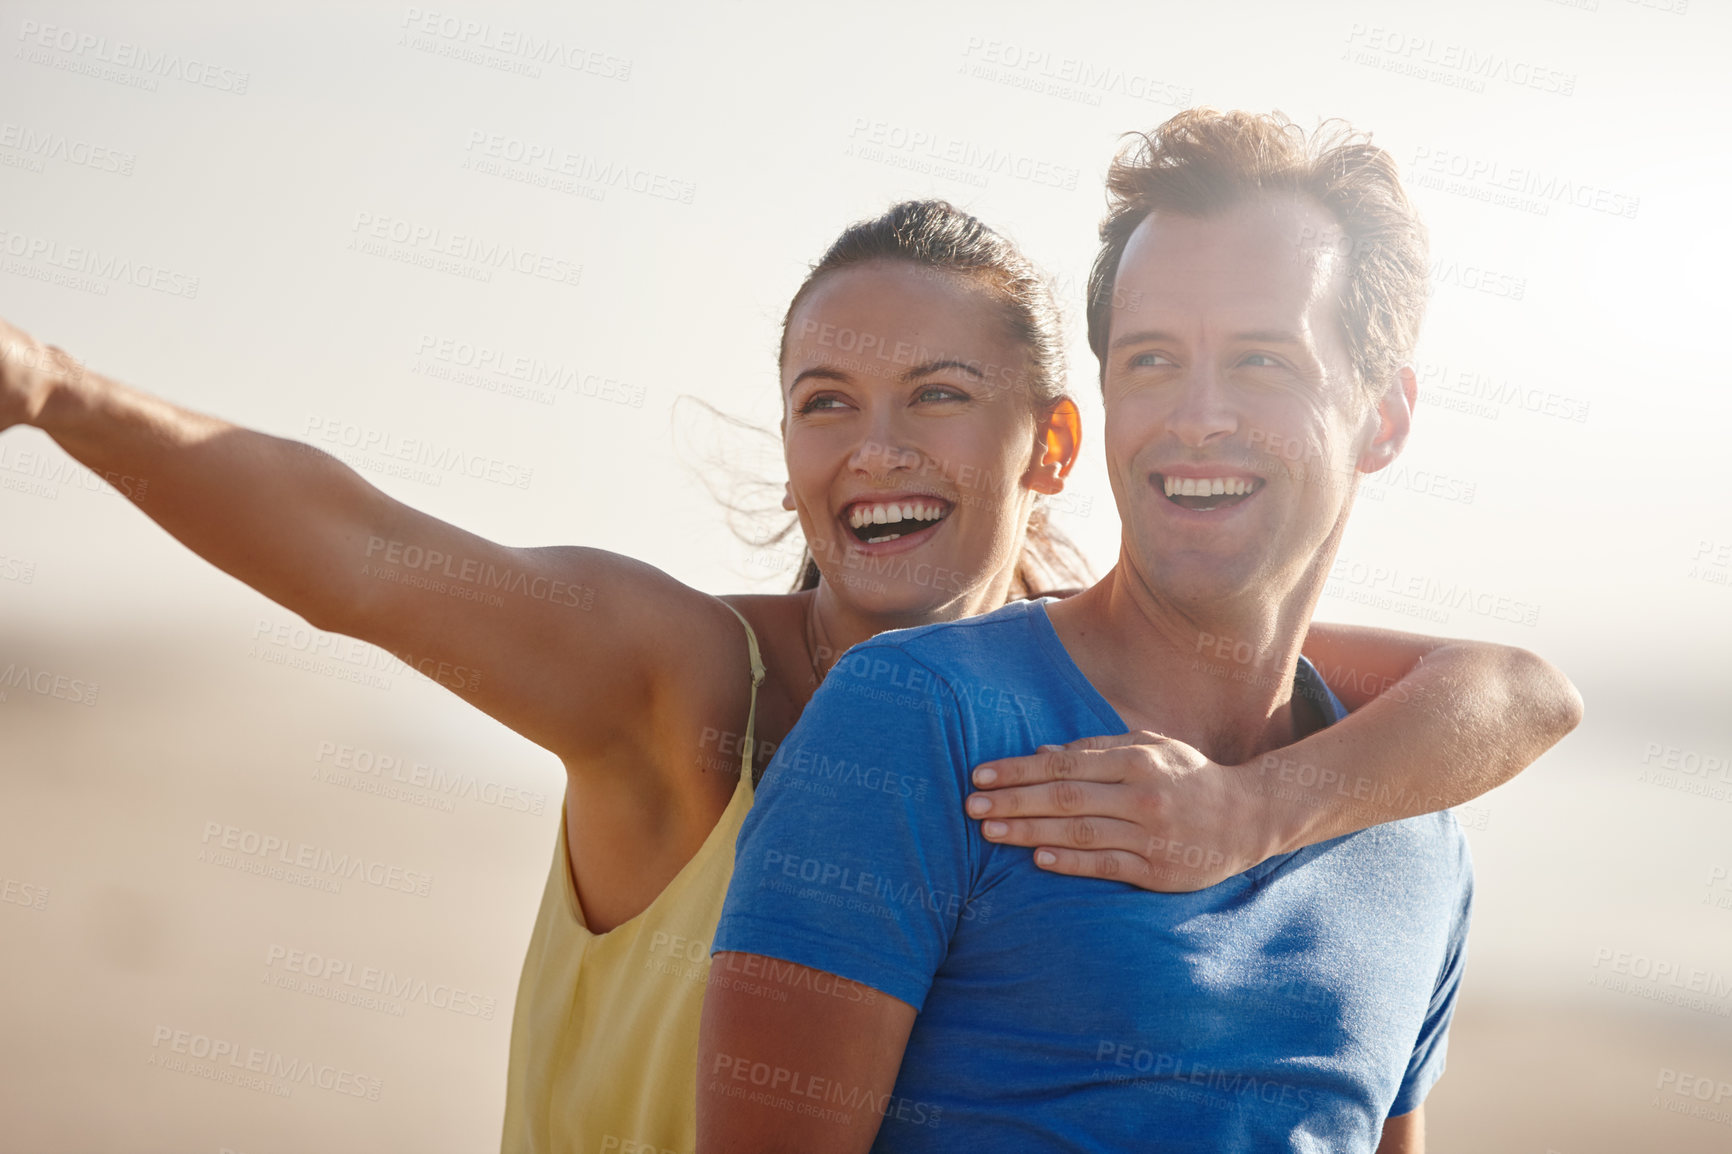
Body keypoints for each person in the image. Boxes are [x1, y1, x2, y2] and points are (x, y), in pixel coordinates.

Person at [0, 196, 1574, 1153]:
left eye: (938, 395)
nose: (874, 449)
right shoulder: (682, 685)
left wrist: (1252, 813)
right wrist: (58, 390)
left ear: (1052, 440)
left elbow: (1502, 690)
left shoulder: (1091, 677)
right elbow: (359, 553)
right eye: (825, 401)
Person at [700, 113, 1584, 1152]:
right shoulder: (916, 720)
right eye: (1153, 359)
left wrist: (1248, 810)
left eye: (1260, 360)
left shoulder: (1413, 833)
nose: (1196, 415)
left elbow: (1532, 690)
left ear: (1382, 415)